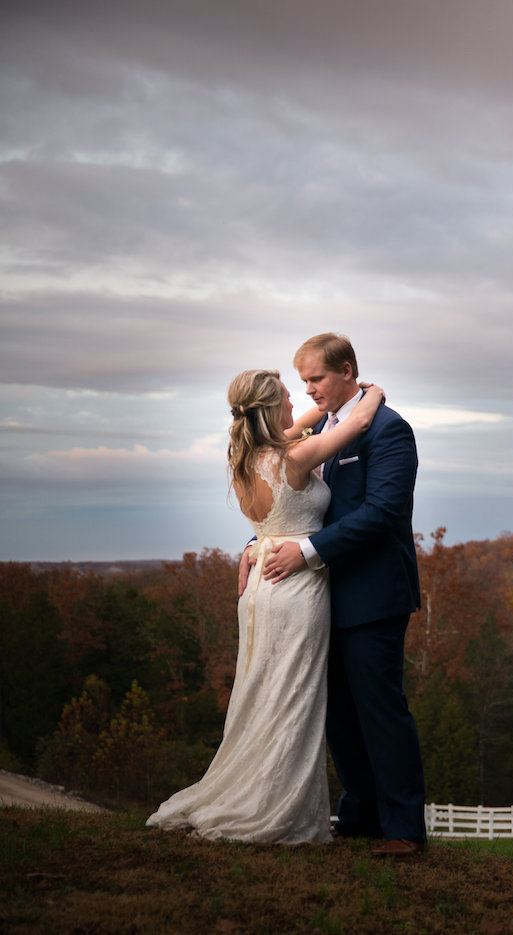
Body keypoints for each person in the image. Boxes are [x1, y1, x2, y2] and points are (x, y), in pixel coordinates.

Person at [147, 369, 383, 844]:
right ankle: (275, 809)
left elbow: (314, 419)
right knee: (292, 694)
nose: (297, 400)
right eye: (286, 396)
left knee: (262, 690)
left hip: (260, 583)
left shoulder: (246, 456)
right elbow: (354, 427)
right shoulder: (294, 457)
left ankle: (256, 791)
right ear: (271, 409)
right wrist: (371, 392)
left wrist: (335, 396)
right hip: (296, 586)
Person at [256, 333, 427, 857]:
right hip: (321, 597)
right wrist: (257, 545)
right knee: (339, 714)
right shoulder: (323, 431)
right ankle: (360, 817)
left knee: (380, 710)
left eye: (317, 378)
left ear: (348, 370)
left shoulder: (389, 429)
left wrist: (305, 552)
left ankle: (403, 831)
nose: (308, 390)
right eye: (303, 381)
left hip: (374, 593)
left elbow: (381, 516)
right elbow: (294, 507)